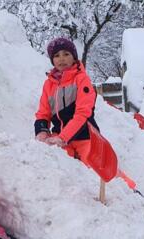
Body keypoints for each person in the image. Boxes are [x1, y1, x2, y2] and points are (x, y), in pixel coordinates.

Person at [33, 37, 99, 167]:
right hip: (59, 138)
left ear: (74, 58)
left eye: (66, 54)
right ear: (52, 60)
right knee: (60, 169)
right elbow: (43, 113)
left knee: (95, 168)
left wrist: (63, 137)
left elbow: (83, 114)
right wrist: (42, 132)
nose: (61, 58)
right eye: (57, 55)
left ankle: (127, 187)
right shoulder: (49, 85)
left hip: (85, 136)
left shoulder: (81, 80)